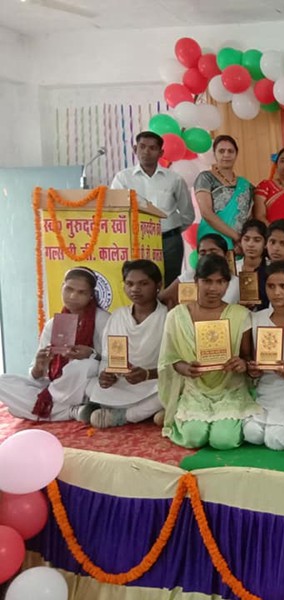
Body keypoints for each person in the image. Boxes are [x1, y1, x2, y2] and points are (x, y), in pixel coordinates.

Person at [158, 254, 256, 450]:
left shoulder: (240, 315)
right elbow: (170, 359)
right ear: (196, 281)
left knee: (224, 440)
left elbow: (247, 358)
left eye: (220, 282)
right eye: (207, 281)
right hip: (196, 389)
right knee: (193, 437)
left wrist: (242, 365)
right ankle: (178, 415)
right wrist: (185, 368)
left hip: (230, 389)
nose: (213, 288)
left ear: (228, 284)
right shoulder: (176, 316)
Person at [0, 267, 110, 421]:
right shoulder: (52, 324)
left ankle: (36, 406)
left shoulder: (104, 320)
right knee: (3, 381)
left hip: (85, 383)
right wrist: (39, 366)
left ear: (91, 296)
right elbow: (36, 377)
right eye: (69, 289)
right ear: (62, 288)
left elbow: (112, 362)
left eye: (81, 292)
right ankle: (72, 411)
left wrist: (91, 354)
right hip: (55, 384)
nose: (73, 296)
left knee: (83, 365)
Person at [84, 260, 168, 427]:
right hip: (122, 384)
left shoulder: (168, 316)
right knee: (89, 385)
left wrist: (147, 374)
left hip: (153, 382)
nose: (135, 289)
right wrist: (106, 376)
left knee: (172, 387)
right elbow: (107, 358)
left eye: (143, 284)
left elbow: (174, 364)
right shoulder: (117, 316)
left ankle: (125, 416)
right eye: (129, 284)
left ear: (158, 285)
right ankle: (151, 413)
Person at [110, 132, 195, 286]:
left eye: (152, 148)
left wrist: (170, 230)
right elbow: (116, 211)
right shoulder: (123, 179)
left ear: (161, 153)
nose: (146, 151)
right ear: (135, 149)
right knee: (139, 285)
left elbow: (187, 214)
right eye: (142, 147)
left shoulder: (174, 179)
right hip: (136, 241)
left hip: (169, 243)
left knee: (170, 285)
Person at [243, 261, 284, 450]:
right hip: (266, 387)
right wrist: (253, 369)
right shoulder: (257, 318)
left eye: (283, 286)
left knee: (278, 440)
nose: (277, 292)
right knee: (252, 434)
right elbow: (250, 358)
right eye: (271, 286)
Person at [195, 135, 254, 251]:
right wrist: (236, 237)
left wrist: (244, 240)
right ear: (214, 154)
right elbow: (206, 213)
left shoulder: (245, 184)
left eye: (230, 151)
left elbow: (249, 216)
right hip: (212, 240)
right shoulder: (205, 178)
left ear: (236, 154)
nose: (226, 155)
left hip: (239, 246)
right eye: (221, 151)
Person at [159, 233, 240, 308]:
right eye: (202, 253)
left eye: (213, 252)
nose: (208, 256)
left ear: (226, 255)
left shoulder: (236, 282)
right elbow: (163, 297)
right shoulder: (190, 274)